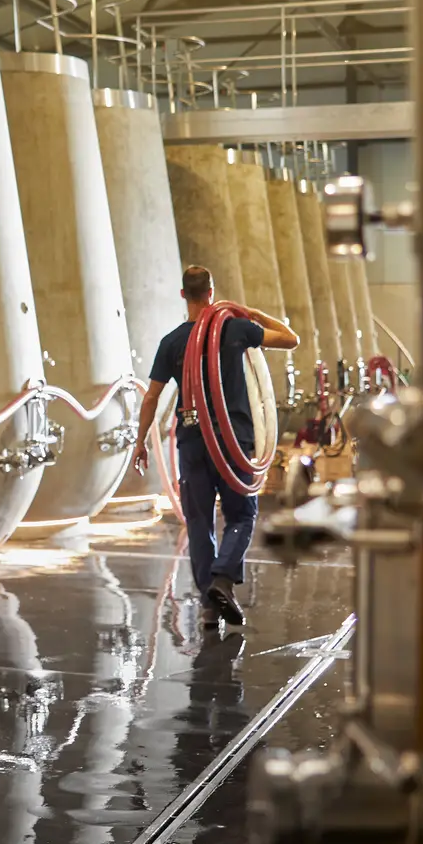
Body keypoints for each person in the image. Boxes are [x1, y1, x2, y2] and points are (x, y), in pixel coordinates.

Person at [132, 266, 298, 626]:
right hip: (232, 439)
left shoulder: (172, 341)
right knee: (242, 514)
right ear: (212, 291)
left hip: (192, 441)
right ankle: (222, 580)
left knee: (198, 521)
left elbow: (151, 398)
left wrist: (140, 440)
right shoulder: (236, 328)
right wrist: (254, 315)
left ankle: (210, 607)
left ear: (182, 295)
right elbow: (290, 339)